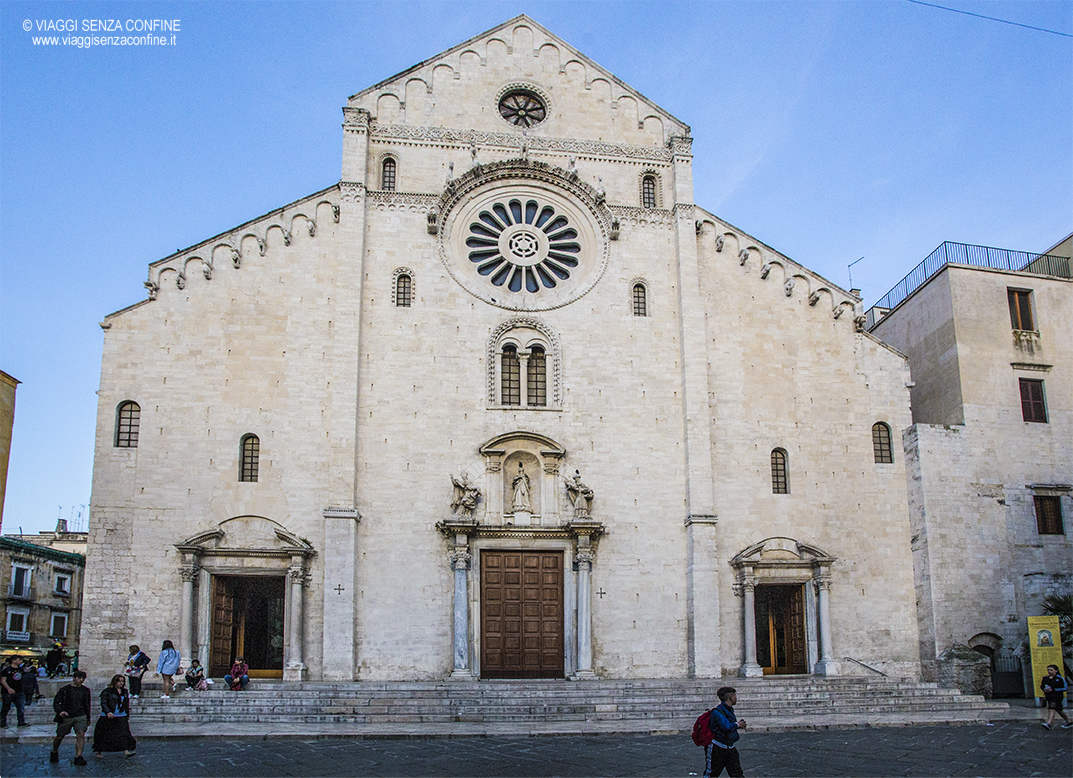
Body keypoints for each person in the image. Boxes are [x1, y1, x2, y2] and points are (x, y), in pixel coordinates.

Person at [704, 686, 747, 778]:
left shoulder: (728, 709)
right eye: (735, 696)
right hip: (718, 747)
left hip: (729, 746)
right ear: (731, 697)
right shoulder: (718, 712)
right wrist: (738, 725)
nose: (736, 698)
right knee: (712, 773)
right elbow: (726, 726)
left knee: (737, 773)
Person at [51, 669, 91, 765]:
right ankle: (54, 751)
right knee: (60, 736)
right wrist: (60, 711)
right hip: (67, 716)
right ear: (74, 678)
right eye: (79, 678)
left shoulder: (85, 690)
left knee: (81, 734)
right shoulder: (65, 690)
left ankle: (78, 756)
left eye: (83, 678)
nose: (81, 680)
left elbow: (87, 705)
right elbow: (56, 702)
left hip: (80, 715)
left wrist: (88, 718)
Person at [92, 674, 136, 759]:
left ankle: (126, 750)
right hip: (109, 715)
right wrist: (108, 712)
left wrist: (127, 714)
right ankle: (99, 751)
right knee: (103, 734)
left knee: (123, 733)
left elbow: (126, 703)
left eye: (122, 681)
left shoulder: (124, 691)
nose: (121, 683)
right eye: (119, 681)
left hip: (121, 715)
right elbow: (104, 702)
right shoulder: (108, 691)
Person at [1040, 664, 1072, 729]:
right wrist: (1045, 690)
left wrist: (1054, 690)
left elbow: (1065, 688)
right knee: (1059, 709)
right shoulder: (1045, 678)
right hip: (1049, 696)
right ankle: (1069, 721)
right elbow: (1042, 686)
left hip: (1057, 696)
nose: (1049, 671)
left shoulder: (1060, 678)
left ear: (1056, 671)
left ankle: (1048, 723)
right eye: (1048, 670)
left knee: (1051, 709)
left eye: (1051, 670)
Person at [0, 656, 29, 728]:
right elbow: (3, 680)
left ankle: (21, 722)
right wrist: (8, 689)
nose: (21, 661)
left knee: (20, 707)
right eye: (19, 660)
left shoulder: (21, 670)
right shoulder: (6, 670)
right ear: (13, 661)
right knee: (6, 707)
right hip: (7, 692)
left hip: (19, 691)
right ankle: (2, 722)